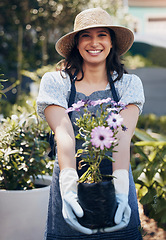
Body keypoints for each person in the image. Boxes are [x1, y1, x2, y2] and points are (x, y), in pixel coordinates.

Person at [37, 7, 145, 240]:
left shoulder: (129, 84)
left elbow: (121, 137)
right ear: (76, 43)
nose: (94, 42)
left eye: (102, 35)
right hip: (70, 173)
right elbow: (64, 132)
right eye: (86, 35)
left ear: (112, 42)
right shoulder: (56, 82)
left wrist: (120, 189)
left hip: (115, 177)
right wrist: (68, 183)